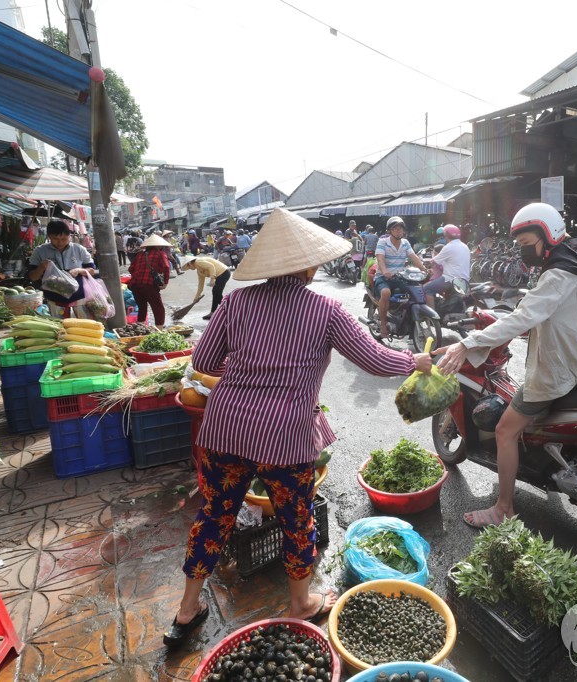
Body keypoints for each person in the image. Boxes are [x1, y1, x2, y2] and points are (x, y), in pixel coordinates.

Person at [165, 208, 433, 647]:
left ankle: (186, 610)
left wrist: (247, 368)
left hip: (225, 429)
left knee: (215, 516)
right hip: (286, 439)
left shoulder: (234, 302)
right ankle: (301, 604)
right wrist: (415, 361)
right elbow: (375, 360)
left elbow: (204, 364)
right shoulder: (325, 310)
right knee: (297, 520)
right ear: (308, 264)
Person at [434, 203, 577, 528]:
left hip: (561, 375)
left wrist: (467, 343)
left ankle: (503, 508)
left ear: (549, 236)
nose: (523, 250)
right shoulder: (576, 265)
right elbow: (541, 309)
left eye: (528, 243)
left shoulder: (558, 274)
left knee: (504, 429)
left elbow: (522, 318)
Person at [27, 220, 97, 318]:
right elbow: (32, 277)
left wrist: (79, 270)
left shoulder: (79, 249)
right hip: (54, 301)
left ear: (69, 236)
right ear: (49, 236)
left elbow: (92, 271)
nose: (60, 242)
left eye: (64, 239)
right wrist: (41, 267)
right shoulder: (39, 251)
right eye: (55, 239)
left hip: (80, 300)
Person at [373, 216, 426, 338]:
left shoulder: (405, 243)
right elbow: (380, 259)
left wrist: (425, 270)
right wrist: (385, 271)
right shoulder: (383, 242)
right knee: (385, 292)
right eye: (395, 228)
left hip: (400, 277)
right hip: (383, 277)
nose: (398, 231)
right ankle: (383, 324)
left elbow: (414, 258)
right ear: (389, 231)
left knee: (416, 289)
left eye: (400, 228)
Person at [129, 233, 172, 328]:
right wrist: (165, 283)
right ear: (157, 245)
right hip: (148, 285)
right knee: (158, 308)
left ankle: (140, 328)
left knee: (142, 307)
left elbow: (131, 269)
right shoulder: (161, 254)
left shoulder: (140, 254)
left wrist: (138, 275)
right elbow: (166, 268)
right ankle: (159, 330)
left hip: (135, 285)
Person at [424, 225, 471, 309]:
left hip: (450, 280)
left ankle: (432, 317)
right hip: (464, 280)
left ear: (445, 235)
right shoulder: (465, 246)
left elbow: (433, 262)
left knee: (427, 289)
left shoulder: (448, 247)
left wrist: (424, 265)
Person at [181, 255, 230, 320]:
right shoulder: (199, 271)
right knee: (216, 293)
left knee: (216, 291)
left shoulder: (198, 262)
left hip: (224, 272)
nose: (189, 268)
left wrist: (212, 279)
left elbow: (211, 266)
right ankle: (227, 308)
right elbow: (200, 285)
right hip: (220, 275)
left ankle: (217, 311)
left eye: (189, 267)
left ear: (189, 263)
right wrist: (196, 297)